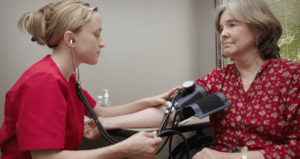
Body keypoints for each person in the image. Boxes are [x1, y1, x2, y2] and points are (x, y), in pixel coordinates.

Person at [0, 1, 181, 159]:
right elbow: (46, 158)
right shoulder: (42, 81)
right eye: (96, 34)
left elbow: (102, 113)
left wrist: (148, 101)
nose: (102, 43)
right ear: (70, 39)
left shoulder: (64, 78)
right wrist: (123, 149)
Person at [192, 0, 300, 159]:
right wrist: (142, 103)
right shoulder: (219, 78)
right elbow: (177, 111)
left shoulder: (291, 75)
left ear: (258, 29)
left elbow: (297, 147)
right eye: (221, 28)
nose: (223, 34)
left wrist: (231, 158)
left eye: (232, 25)